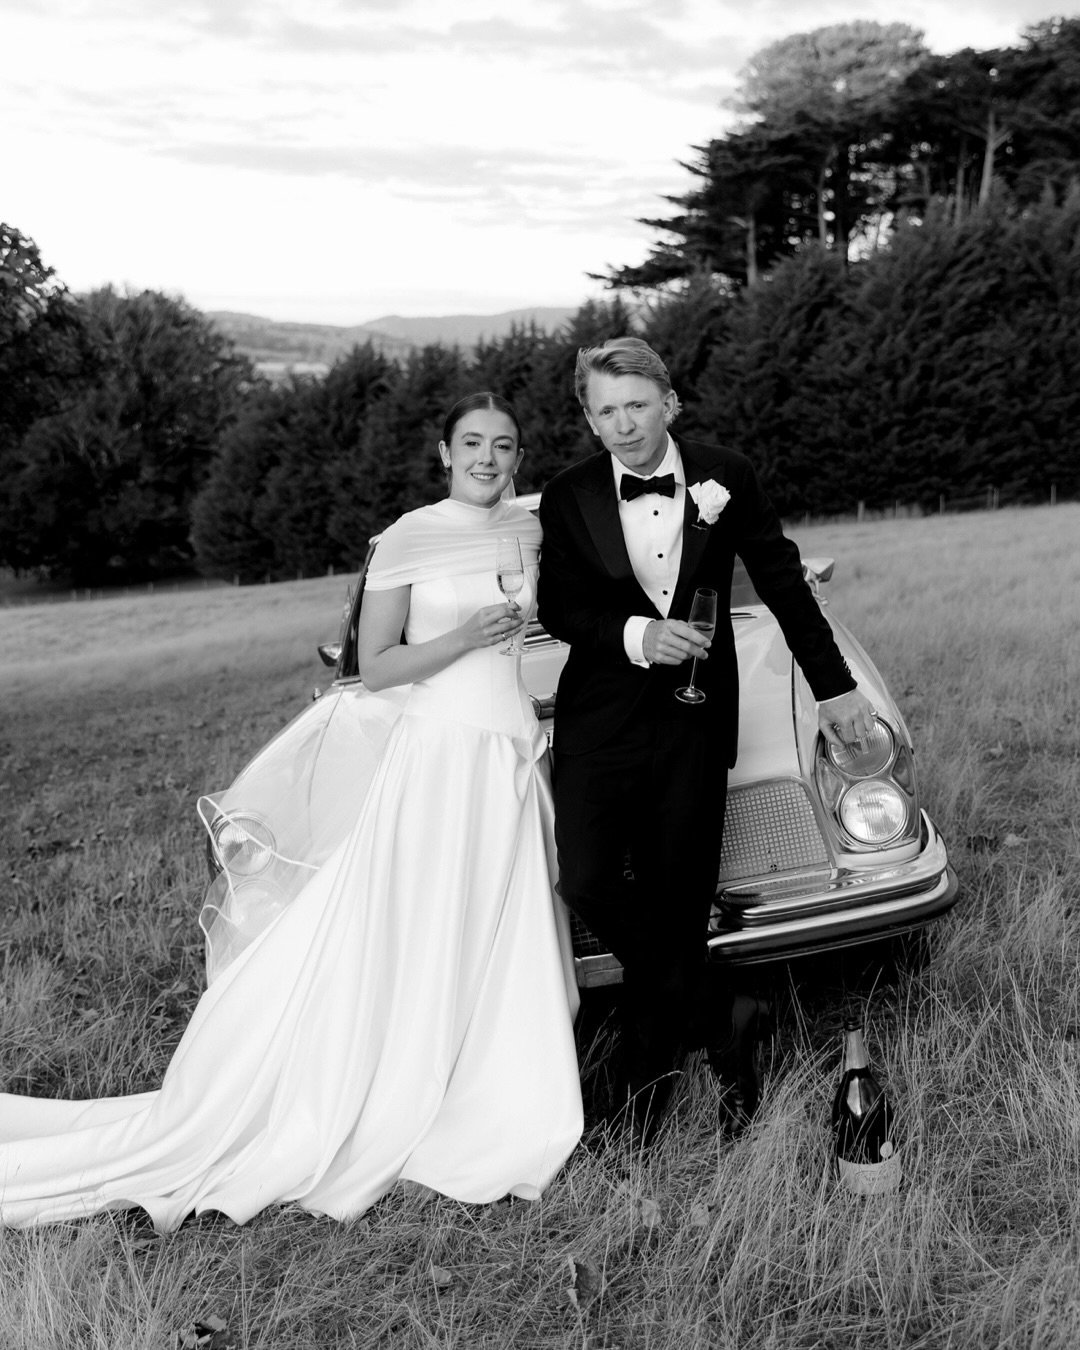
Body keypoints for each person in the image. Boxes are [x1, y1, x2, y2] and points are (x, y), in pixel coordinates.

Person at [0, 392, 583, 1230]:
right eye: (473, 444)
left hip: (507, 751)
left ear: (520, 455)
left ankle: (499, 1091)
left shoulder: (526, 531)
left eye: (505, 444)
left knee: (499, 933)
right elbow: (376, 667)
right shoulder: (408, 535)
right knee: (417, 930)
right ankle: (382, 1091)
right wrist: (463, 638)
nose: (490, 459)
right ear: (443, 453)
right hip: (440, 759)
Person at [537, 338, 875, 1144]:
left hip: (695, 713)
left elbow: (786, 583)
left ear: (669, 403)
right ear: (588, 416)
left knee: (680, 892)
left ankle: (672, 1072)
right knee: (583, 877)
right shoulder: (569, 493)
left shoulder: (729, 474)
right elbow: (558, 608)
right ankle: (726, 1010)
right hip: (601, 717)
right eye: (604, 410)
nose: (622, 426)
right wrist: (633, 635)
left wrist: (835, 689)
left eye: (636, 406)